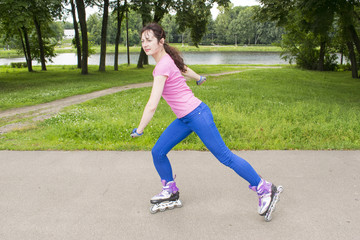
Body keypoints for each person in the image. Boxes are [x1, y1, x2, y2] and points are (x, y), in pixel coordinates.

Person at [131, 23, 282, 219]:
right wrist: (198, 77)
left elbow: (152, 104)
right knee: (158, 151)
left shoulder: (162, 66)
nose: (145, 44)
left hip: (197, 115)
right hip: (185, 118)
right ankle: (171, 190)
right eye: (142, 40)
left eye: (149, 40)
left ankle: (265, 189)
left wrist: (140, 129)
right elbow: (183, 68)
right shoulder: (167, 60)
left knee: (225, 156)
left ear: (161, 41)